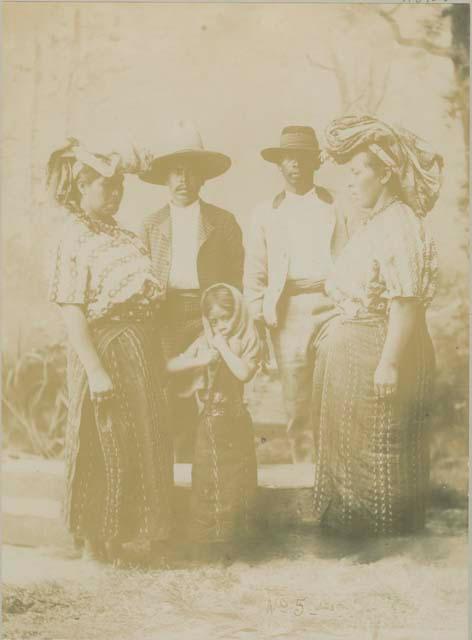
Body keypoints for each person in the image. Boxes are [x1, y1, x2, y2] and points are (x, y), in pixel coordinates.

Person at [312, 115, 442, 536]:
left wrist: (388, 363)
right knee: (355, 445)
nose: (350, 183)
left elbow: (405, 300)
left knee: (380, 448)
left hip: (381, 351)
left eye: (357, 172)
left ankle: (384, 542)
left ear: (386, 173)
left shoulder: (399, 222)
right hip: (357, 351)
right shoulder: (377, 224)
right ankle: (356, 537)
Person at [47, 139, 173, 564]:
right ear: (81, 187)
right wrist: (96, 371)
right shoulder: (73, 236)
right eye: (106, 186)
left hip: (141, 349)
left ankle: (133, 536)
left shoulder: (125, 235)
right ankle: (95, 540)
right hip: (102, 348)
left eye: (120, 185)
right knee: (104, 440)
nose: (116, 193)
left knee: (143, 439)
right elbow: (73, 312)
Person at [139, 121, 244, 462]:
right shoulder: (151, 226)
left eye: (190, 172)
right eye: (175, 172)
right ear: (165, 178)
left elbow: (236, 279)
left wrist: (222, 323)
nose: (183, 181)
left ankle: (213, 477)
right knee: (169, 399)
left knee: (217, 395)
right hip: (165, 318)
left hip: (209, 317)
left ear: (202, 178)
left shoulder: (222, 222)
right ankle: (175, 478)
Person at [244, 125, 348, 462]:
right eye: (289, 158)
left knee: (337, 388)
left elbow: (354, 256)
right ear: (279, 164)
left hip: (333, 304)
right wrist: (258, 315)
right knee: (297, 399)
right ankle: (305, 469)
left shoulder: (336, 206)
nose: (296, 165)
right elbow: (255, 272)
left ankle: (337, 470)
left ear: (315, 162)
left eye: (303, 158)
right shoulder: (265, 213)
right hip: (288, 310)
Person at [167, 284, 261, 561]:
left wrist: (222, 348)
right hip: (208, 424)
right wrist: (197, 361)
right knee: (208, 481)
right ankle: (207, 547)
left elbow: (243, 373)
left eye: (226, 318)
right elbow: (169, 366)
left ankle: (235, 548)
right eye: (214, 320)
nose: (220, 326)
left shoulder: (249, 340)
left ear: (239, 314)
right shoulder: (205, 342)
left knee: (235, 483)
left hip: (235, 423)